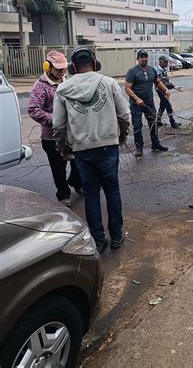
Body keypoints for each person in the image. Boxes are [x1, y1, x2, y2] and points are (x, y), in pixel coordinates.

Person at [52, 47, 130, 253]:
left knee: (92, 195)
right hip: (108, 147)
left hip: (82, 150)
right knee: (112, 191)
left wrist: (64, 149)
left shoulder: (62, 89)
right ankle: (116, 236)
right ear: (95, 64)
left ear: (73, 67)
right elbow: (124, 115)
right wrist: (120, 137)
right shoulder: (109, 83)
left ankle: (97, 239)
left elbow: (58, 125)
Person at [28, 50, 82, 207]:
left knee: (78, 161)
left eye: (63, 68)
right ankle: (63, 194)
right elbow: (33, 110)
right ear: (47, 66)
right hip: (51, 136)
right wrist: (56, 120)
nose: (61, 71)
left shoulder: (66, 81)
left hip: (71, 134)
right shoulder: (41, 87)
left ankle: (76, 182)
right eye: (58, 68)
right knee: (58, 167)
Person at [125, 50, 170, 158]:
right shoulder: (132, 71)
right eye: (142, 57)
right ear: (137, 58)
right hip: (136, 104)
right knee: (137, 126)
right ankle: (139, 148)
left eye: (146, 56)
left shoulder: (152, 70)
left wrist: (166, 90)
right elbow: (127, 88)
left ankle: (155, 144)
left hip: (149, 103)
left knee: (153, 123)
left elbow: (157, 82)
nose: (144, 58)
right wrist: (137, 99)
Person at [155, 55, 181, 129]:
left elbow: (166, 80)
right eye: (165, 62)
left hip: (164, 89)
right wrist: (172, 86)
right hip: (160, 90)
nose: (167, 64)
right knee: (168, 105)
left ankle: (158, 120)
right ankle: (172, 122)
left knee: (162, 105)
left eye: (167, 62)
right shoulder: (157, 70)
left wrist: (173, 85)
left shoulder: (163, 69)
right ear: (161, 62)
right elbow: (162, 82)